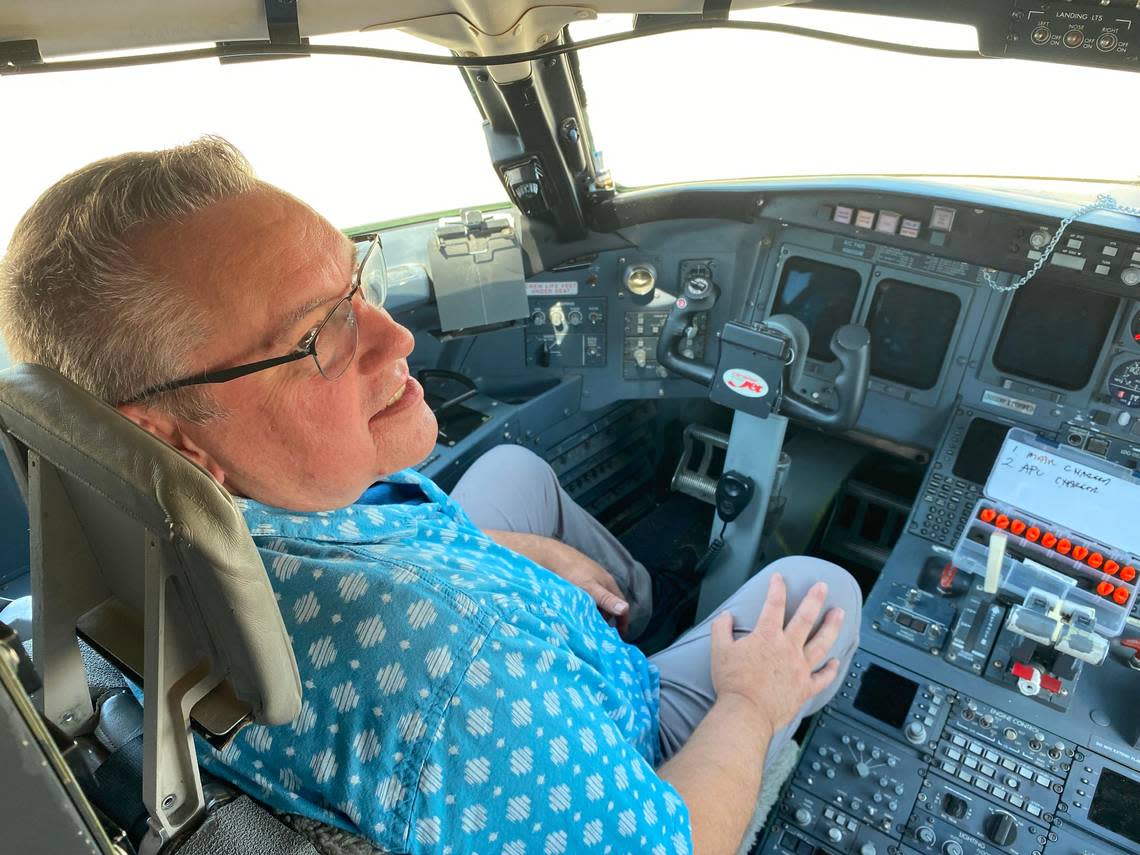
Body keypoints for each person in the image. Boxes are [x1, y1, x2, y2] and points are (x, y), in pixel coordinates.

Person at [0, 137, 861, 855]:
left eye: (356, 285)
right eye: (319, 335)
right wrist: (752, 700)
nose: (397, 335)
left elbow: (362, 549)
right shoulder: (454, 677)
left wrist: (493, 558)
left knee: (513, 478)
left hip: (431, 642)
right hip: (586, 735)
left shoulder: (125, 539)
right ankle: (684, 670)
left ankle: (644, 607)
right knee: (828, 596)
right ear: (173, 437)